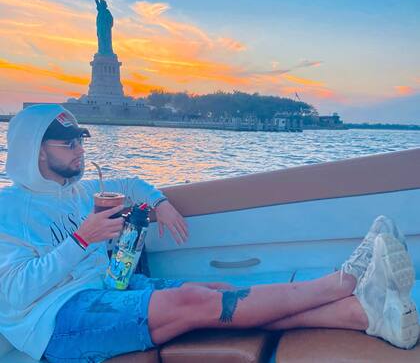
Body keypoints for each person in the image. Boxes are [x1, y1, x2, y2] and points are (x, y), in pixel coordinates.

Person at [0, 104, 418, 363]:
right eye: (67, 143)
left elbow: (131, 184)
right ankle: (346, 281)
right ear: (36, 151)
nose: (80, 150)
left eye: (80, 140)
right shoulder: (8, 209)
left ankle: (361, 315)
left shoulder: (80, 191)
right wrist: (82, 240)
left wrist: (160, 204)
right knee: (195, 301)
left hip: (109, 287)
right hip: (54, 322)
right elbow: (15, 294)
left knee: (215, 288)